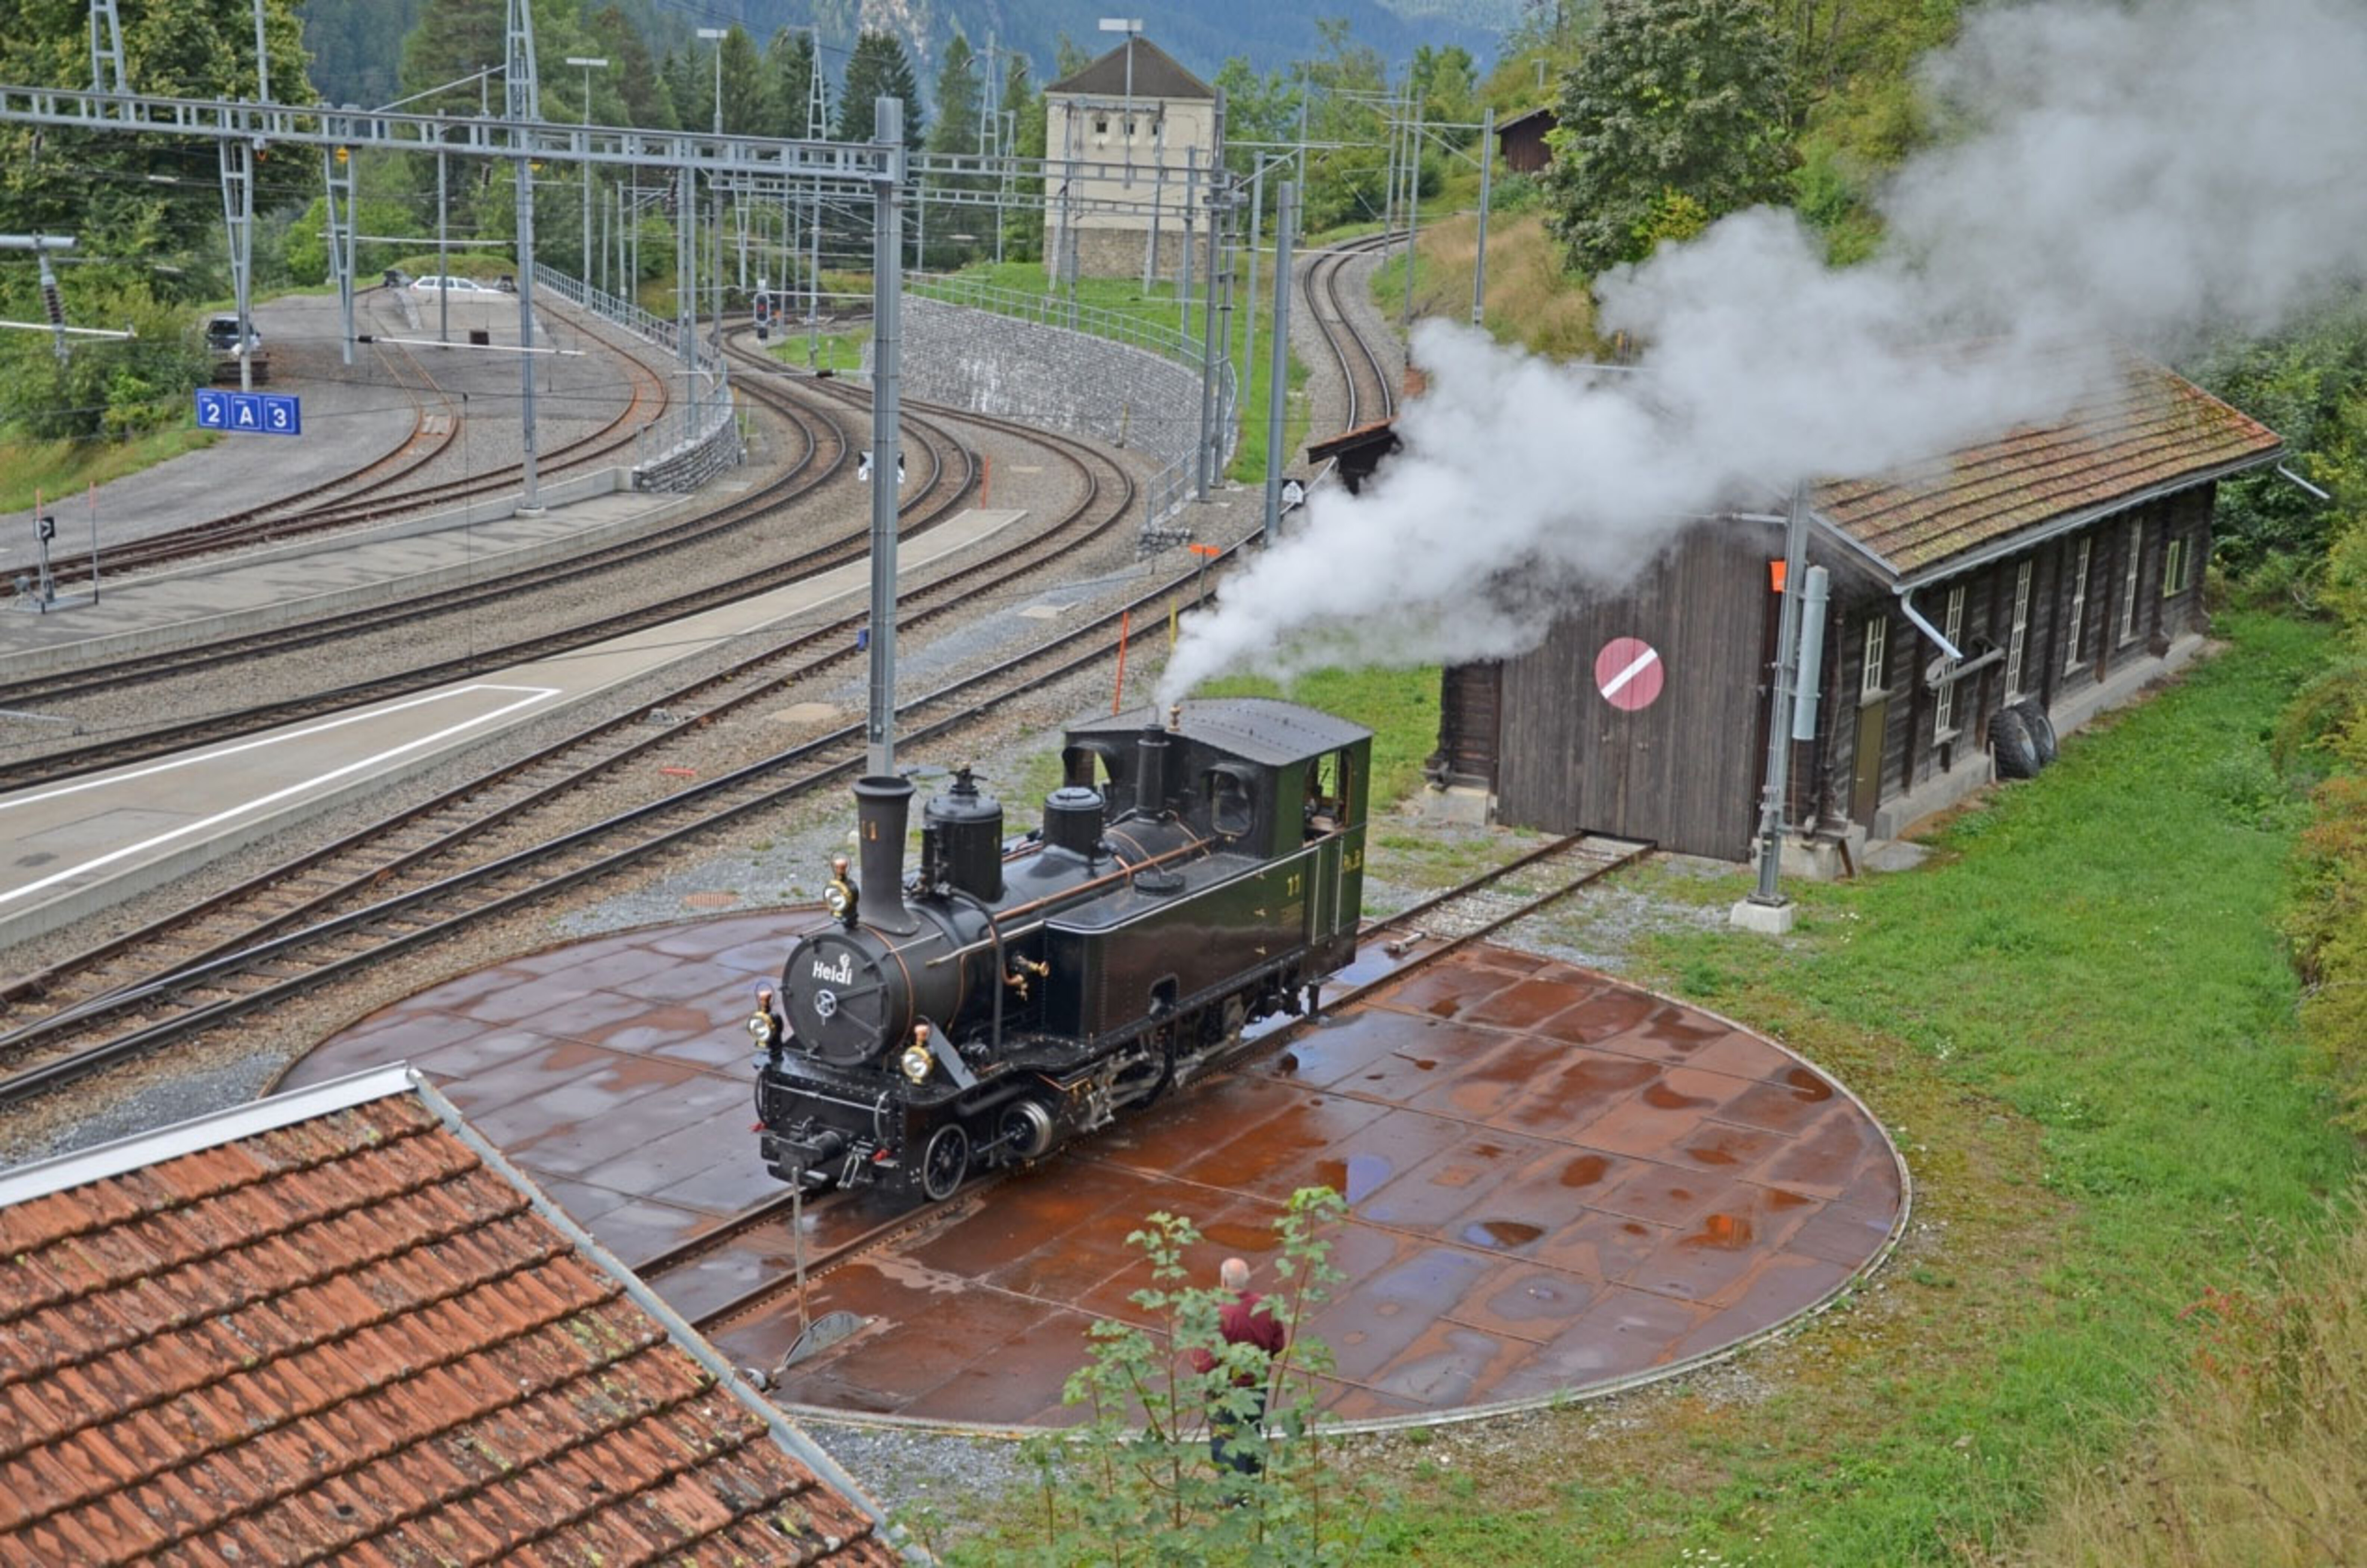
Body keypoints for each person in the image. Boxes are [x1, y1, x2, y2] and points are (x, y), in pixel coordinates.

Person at [1189, 1257, 1285, 1484]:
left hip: (1226, 1391)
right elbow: (1278, 1345)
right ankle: (1252, 1489)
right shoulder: (1267, 1307)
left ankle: (1233, 1498)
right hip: (1257, 1386)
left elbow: (1203, 1364)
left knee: (1226, 1443)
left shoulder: (1217, 1316)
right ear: (1247, 1280)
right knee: (1252, 1434)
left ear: (1223, 1281)